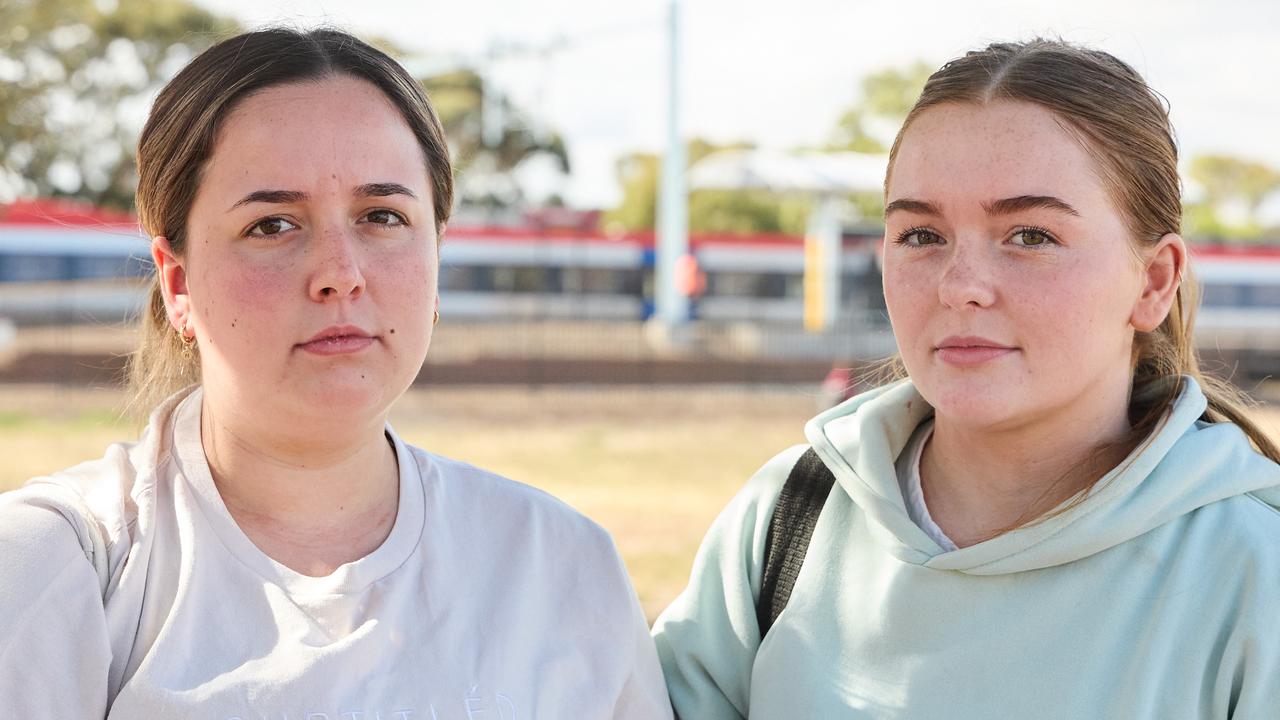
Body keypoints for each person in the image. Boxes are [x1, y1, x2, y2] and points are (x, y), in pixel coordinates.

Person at [0, 28, 671, 719]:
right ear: (178, 284)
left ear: (436, 260)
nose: (340, 275)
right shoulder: (58, 566)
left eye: (382, 216)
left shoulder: (561, 567)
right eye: (272, 225)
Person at [652, 39, 1280, 719]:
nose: (961, 286)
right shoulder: (787, 518)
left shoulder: (1254, 576)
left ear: (1154, 281)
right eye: (921, 235)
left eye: (1031, 235)